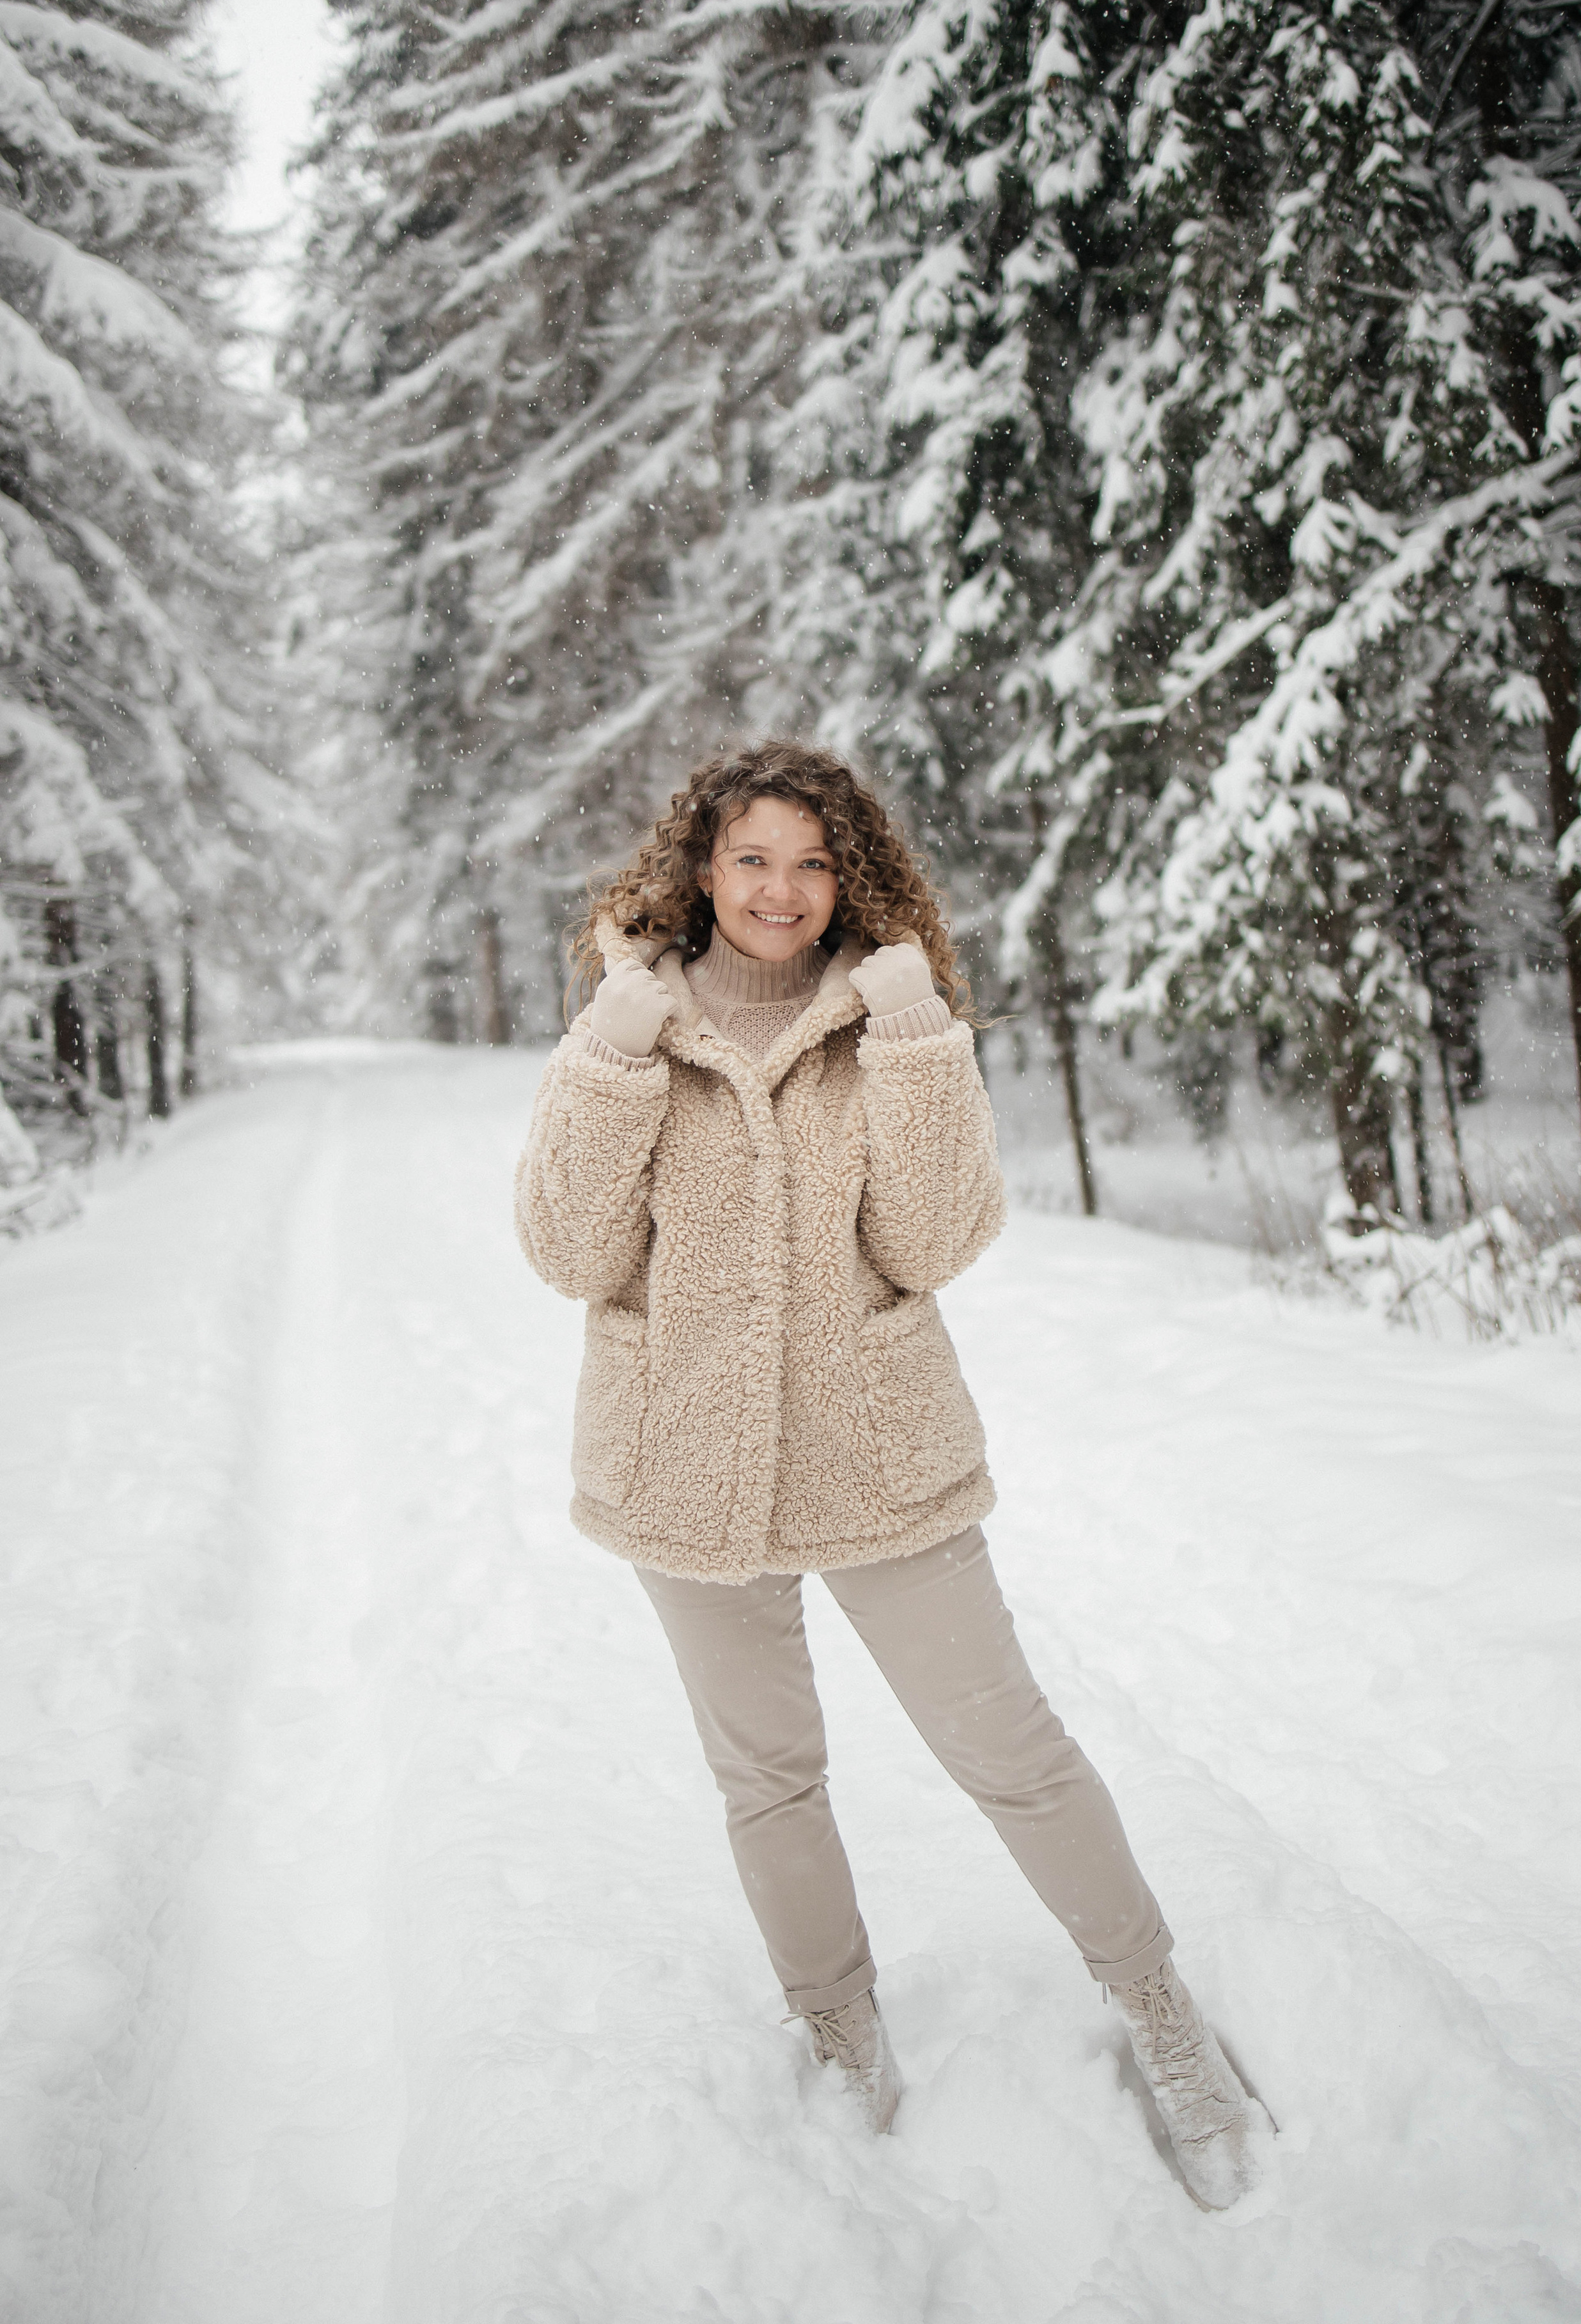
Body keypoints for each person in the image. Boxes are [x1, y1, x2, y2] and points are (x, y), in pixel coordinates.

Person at [514, 742, 1263, 2209]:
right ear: (701, 870)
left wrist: (918, 1032)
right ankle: (840, 2030)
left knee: (1013, 1754)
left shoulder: (887, 1021)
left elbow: (932, 1241)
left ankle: (1161, 2013)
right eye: (750, 861)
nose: (780, 892)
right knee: (768, 1780)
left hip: (878, 1450)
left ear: (845, 875)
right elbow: (568, 1254)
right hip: (684, 1461)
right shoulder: (630, 1029)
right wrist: (610, 1043)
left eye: (809, 862)